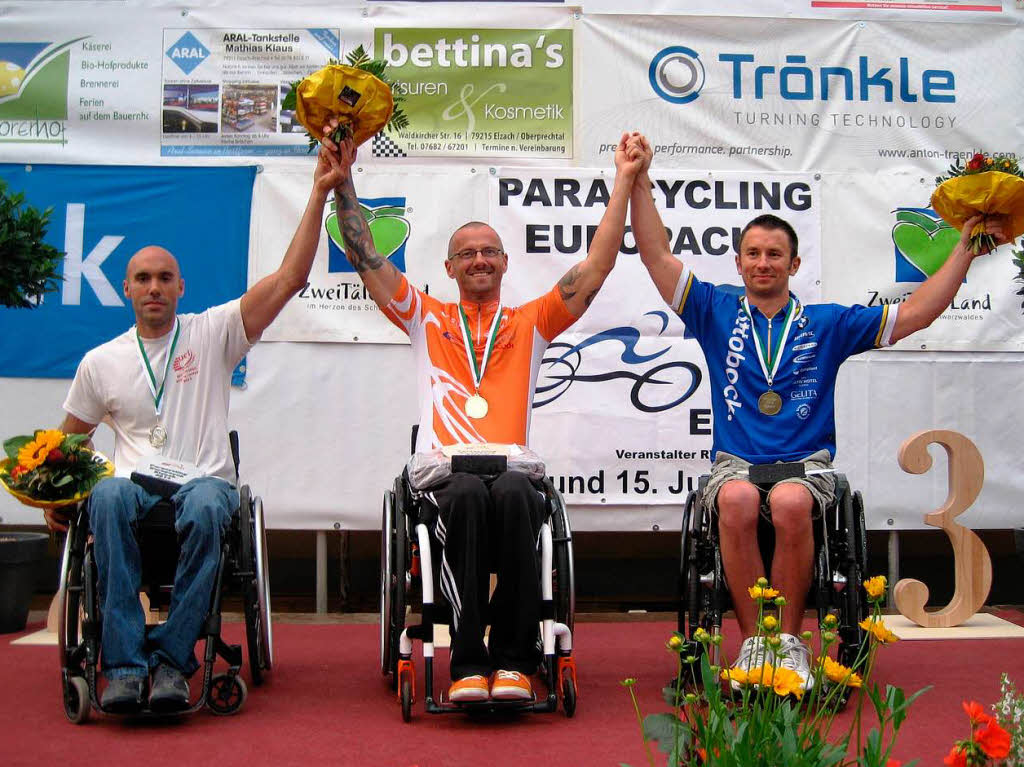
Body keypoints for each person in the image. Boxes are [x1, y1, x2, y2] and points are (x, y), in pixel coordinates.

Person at [626, 133, 1010, 687]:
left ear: (794, 262)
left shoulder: (828, 322)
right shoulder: (713, 308)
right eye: (753, 254)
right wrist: (638, 180)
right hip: (734, 464)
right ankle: (757, 646)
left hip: (808, 466)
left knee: (787, 501)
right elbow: (657, 255)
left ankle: (785, 644)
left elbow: (917, 314)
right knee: (734, 498)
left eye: (774, 254)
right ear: (738, 262)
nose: (763, 263)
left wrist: (964, 249)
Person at [323, 121, 642, 703]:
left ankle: (515, 660)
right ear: (448, 268)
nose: (479, 260)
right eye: (466, 253)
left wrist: (622, 180)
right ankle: (468, 662)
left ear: (504, 263)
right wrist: (344, 184)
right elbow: (364, 254)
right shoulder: (424, 315)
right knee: (468, 496)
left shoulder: (532, 322)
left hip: (512, 472)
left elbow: (595, 269)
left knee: (521, 496)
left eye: (489, 251)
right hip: (446, 477)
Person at [42, 140, 346, 714]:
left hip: (200, 485)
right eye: (142, 279)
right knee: (104, 493)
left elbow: (289, 278)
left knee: (210, 504)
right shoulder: (100, 361)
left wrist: (319, 190)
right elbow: (66, 445)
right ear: (126, 289)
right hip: (133, 492)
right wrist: (48, 499)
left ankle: (172, 662)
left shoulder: (213, 333)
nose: (153, 287)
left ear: (180, 288)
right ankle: (127, 665)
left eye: (164, 278)